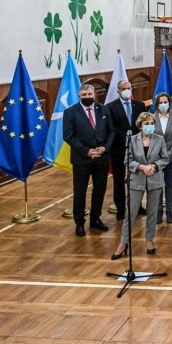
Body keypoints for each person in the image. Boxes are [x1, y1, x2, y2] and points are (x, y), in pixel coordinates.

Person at [111, 112, 170, 259]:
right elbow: (127, 160)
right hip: (137, 179)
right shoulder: (131, 140)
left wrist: (154, 167)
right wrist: (142, 167)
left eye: (151, 124)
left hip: (155, 179)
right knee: (130, 213)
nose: (149, 126)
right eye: (146, 124)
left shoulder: (159, 139)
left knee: (152, 211)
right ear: (140, 125)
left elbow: (165, 158)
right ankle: (123, 243)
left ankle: (149, 240)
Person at [63, 84, 115, 237]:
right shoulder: (70, 112)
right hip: (81, 158)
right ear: (79, 96)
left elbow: (112, 131)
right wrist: (86, 151)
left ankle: (95, 219)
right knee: (80, 191)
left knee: (100, 189)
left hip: (102, 157)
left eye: (89, 94)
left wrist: (105, 148)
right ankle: (79, 222)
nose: (87, 97)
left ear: (94, 94)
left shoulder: (104, 109)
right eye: (84, 95)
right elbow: (68, 136)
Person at [105, 79, 147, 220]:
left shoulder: (139, 105)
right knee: (118, 180)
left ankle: (138, 205)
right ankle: (121, 208)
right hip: (118, 149)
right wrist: (126, 138)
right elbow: (111, 127)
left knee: (138, 179)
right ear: (118, 91)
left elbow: (143, 125)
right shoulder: (110, 107)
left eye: (128, 88)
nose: (127, 90)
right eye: (123, 88)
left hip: (138, 149)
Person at [153, 92, 172, 224]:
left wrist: (168, 154)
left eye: (166, 102)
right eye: (161, 102)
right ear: (157, 104)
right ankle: (158, 211)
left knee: (169, 184)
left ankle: (169, 211)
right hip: (156, 158)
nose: (163, 104)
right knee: (158, 185)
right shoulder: (152, 119)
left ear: (169, 104)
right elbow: (150, 138)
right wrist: (159, 155)